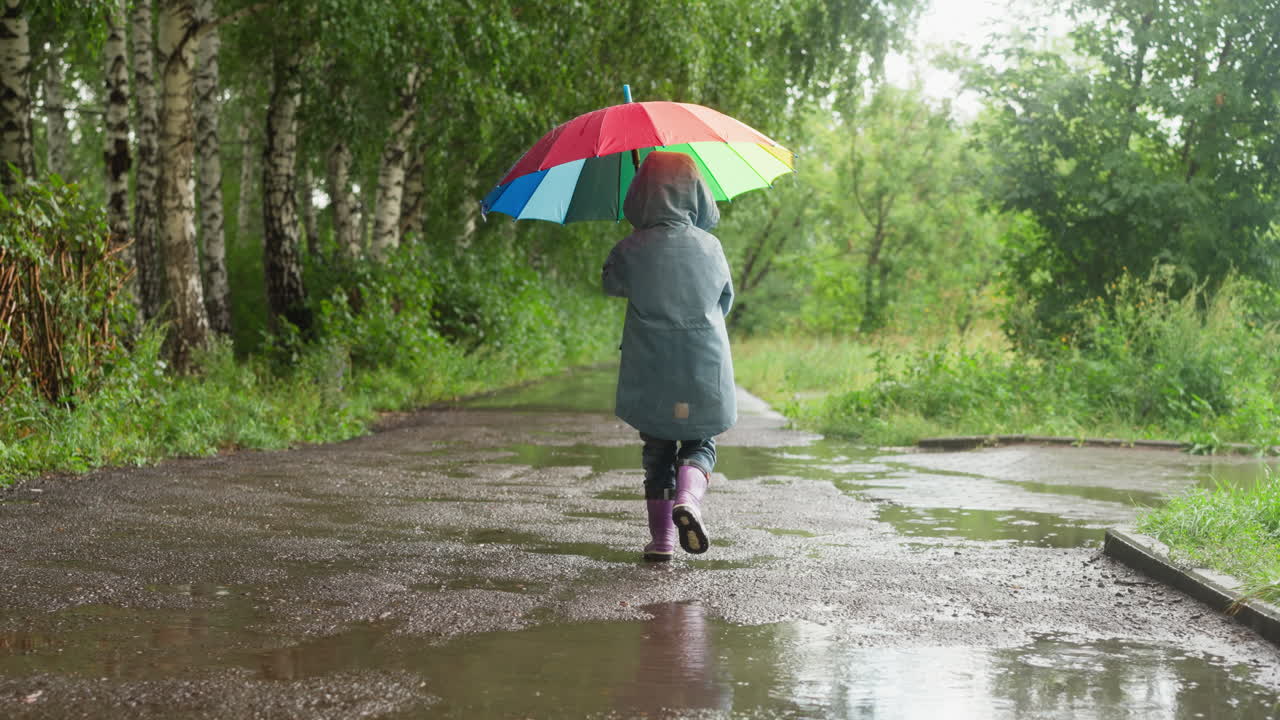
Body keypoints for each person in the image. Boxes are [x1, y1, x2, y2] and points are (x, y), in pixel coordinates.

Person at [602, 151, 737, 561]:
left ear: (640, 195)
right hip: (703, 363)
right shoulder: (711, 247)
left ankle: (661, 542)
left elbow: (610, 285)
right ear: (697, 195)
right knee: (701, 440)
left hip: (651, 364)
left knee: (657, 450)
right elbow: (725, 300)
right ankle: (689, 500)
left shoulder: (630, 248)